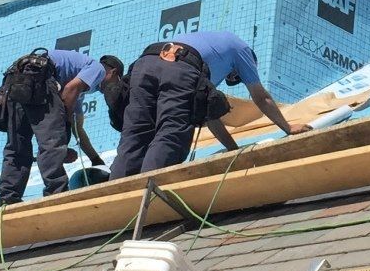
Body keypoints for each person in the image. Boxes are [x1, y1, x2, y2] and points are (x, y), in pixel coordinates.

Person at [108, 30, 308, 178]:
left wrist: (232, 150)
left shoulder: (212, 44)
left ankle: (114, 199)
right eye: (235, 77)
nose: (231, 78)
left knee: (135, 134)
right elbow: (260, 97)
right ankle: (148, 193)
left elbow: (210, 117)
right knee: (171, 133)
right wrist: (288, 127)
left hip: (146, 62)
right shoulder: (242, 50)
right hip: (181, 65)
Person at [0, 49, 123, 204]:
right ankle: (57, 193)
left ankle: (8, 197)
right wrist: (62, 140)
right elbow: (69, 93)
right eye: (116, 82)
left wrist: (95, 159)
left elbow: (78, 128)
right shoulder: (98, 70)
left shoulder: (79, 85)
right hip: (39, 77)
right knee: (52, 141)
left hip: (16, 81)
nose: (109, 89)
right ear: (113, 72)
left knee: (17, 144)